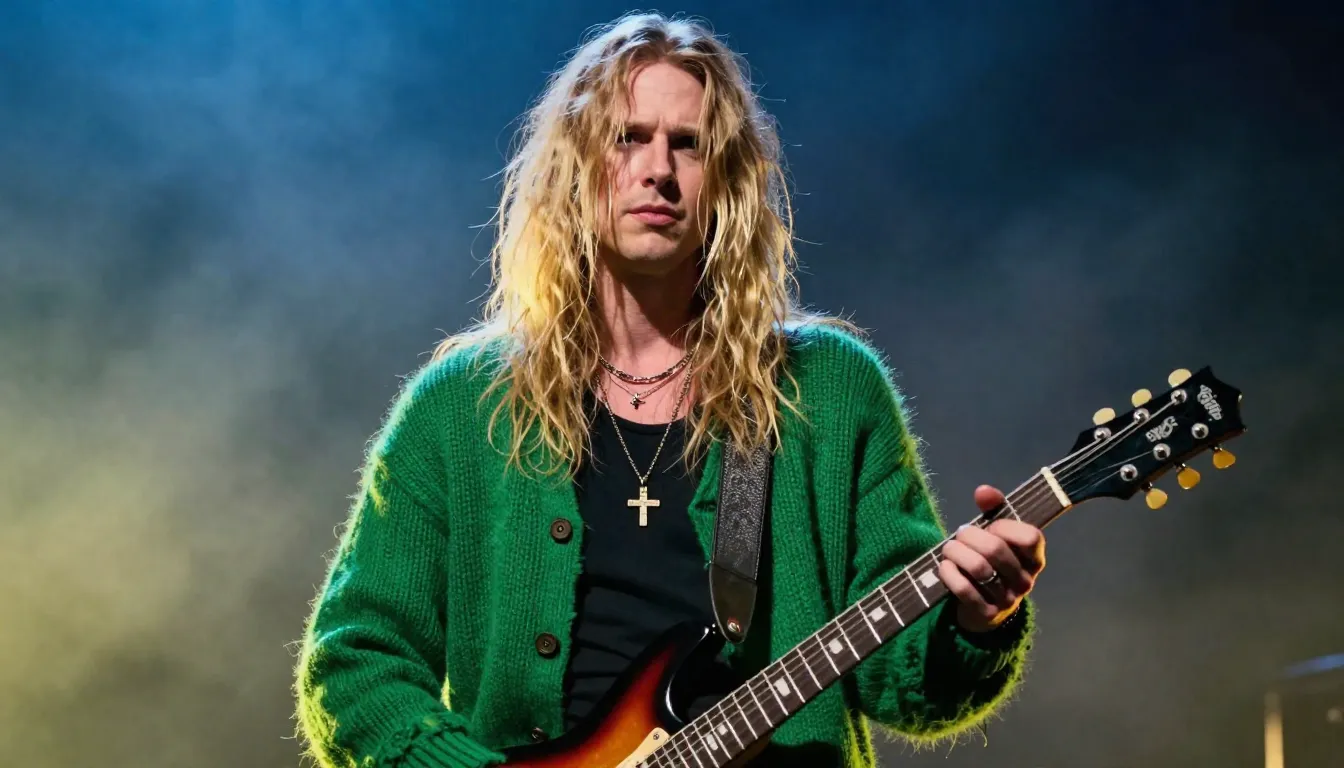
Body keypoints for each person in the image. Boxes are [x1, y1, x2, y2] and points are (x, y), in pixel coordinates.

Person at [294, 12, 1046, 768]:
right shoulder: (462, 405)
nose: (659, 169)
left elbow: (907, 684)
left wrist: (975, 622)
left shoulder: (826, 388)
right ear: (574, 168)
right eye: (628, 137)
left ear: (726, 182)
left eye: (688, 144)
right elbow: (355, 661)